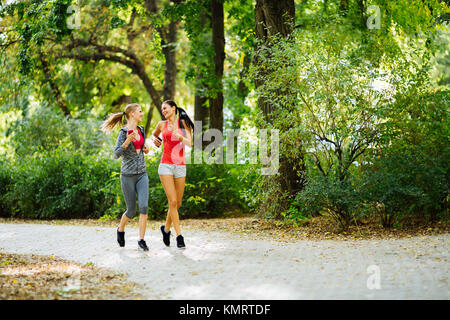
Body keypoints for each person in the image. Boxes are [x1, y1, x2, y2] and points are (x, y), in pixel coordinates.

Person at [101, 103, 151, 251]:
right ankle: (120, 229)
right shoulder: (123, 132)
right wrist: (127, 141)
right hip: (127, 176)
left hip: (142, 173)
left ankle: (141, 240)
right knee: (131, 211)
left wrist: (145, 149)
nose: (142, 114)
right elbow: (116, 154)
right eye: (140, 111)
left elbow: (141, 148)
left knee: (144, 206)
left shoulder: (141, 130)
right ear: (132, 114)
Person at [151, 100, 194, 249]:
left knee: (178, 203)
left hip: (180, 166)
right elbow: (154, 135)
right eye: (162, 109)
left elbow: (191, 143)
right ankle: (179, 236)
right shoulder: (161, 125)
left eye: (166, 108)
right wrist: (154, 140)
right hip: (166, 165)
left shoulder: (184, 123)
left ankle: (166, 229)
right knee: (173, 202)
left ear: (173, 108)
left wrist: (180, 137)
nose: (163, 111)